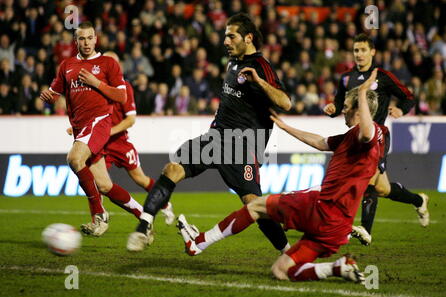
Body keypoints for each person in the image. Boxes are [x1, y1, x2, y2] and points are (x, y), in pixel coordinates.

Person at [177, 70, 382, 283]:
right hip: (337, 228)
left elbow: (367, 133)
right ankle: (336, 269)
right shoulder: (353, 137)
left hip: (323, 210)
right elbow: (321, 142)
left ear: (360, 109)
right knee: (281, 271)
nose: (343, 112)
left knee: (256, 206)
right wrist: (286, 127)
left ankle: (198, 243)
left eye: (347, 107)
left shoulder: (366, 134)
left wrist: (363, 91)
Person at [126, 13, 292, 252]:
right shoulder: (233, 62)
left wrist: (259, 82)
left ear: (248, 37)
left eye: (231, 36)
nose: (225, 41)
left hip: (242, 147)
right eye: (225, 36)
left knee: (253, 204)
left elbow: (285, 103)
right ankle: (144, 227)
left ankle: (289, 253)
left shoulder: (260, 66)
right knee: (172, 168)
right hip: (215, 139)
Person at [40, 22, 149, 236]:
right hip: (81, 128)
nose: (86, 42)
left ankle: (99, 215)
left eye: (90, 38)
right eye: (81, 38)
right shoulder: (66, 65)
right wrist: (47, 97)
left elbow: (121, 96)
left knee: (74, 159)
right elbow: (55, 94)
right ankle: (143, 215)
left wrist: (95, 82)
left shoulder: (108, 63)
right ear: (76, 41)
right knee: (104, 185)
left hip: (99, 121)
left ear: (96, 39)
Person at [323, 33, 430, 245]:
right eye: (356, 50)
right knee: (382, 189)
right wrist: (332, 108)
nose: (359, 54)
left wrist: (401, 109)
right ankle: (419, 199)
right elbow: (339, 103)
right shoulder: (346, 78)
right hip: (356, 136)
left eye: (363, 50)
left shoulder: (382, 76)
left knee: (367, 178)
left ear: (372, 52)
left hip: (378, 135)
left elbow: (408, 96)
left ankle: (364, 229)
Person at [66, 51, 175, 226]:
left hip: (119, 143)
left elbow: (130, 119)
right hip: (98, 143)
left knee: (140, 179)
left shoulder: (124, 87)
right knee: (97, 182)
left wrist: (106, 132)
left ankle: (165, 204)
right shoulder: (94, 86)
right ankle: (98, 220)